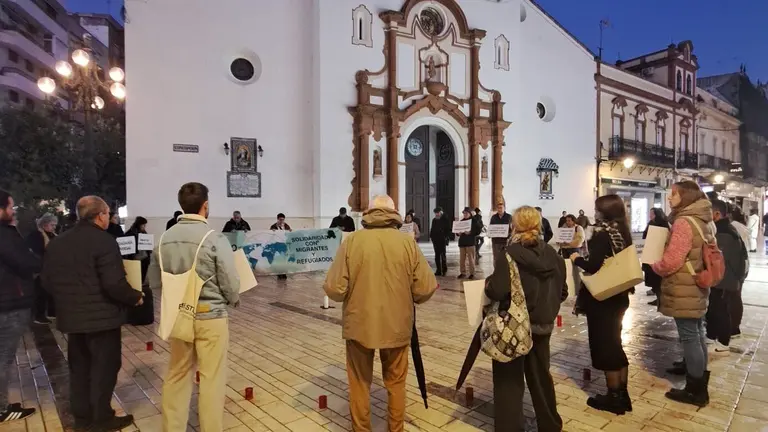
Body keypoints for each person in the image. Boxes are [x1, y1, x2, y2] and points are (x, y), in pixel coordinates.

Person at [323, 195, 437, 432]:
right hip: (397, 325)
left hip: (359, 325)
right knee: (396, 383)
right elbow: (425, 288)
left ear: (369, 212)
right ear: (394, 213)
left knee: (359, 382)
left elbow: (335, 289)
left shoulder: (353, 242)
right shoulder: (406, 243)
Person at [41, 196, 144, 431]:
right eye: (108, 213)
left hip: (73, 320)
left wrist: (69, 300)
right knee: (104, 369)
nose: (109, 217)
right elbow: (113, 284)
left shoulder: (58, 242)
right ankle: (102, 419)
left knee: (79, 370)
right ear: (100, 216)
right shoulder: (104, 241)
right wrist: (135, 297)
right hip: (102, 320)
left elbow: (46, 281)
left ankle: (82, 419)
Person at [148, 183, 240, 432]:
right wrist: (233, 299)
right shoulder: (214, 238)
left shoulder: (164, 239)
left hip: (179, 316)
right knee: (212, 378)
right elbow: (230, 283)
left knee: (177, 374)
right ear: (205, 205)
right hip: (212, 317)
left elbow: (154, 282)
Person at [485, 205, 566, 432]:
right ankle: (550, 425)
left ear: (514, 226)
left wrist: (488, 284)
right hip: (543, 326)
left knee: (508, 382)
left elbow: (497, 290)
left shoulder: (509, 254)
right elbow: (563, 292)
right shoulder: (554, 256)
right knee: (541, 378)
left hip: (513, 328)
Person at [570, 194, 633, 415]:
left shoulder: (603, 234)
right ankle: (622, 394)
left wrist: (576, 259)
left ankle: (613, 397)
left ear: (604, 212)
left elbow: (593, 265)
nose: (594, 212)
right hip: (619, 295)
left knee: (605, 346)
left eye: (597, 209)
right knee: (615, 343)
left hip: (603, 297)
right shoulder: (622, 232)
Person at [651, 181, 712, 407]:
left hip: (684, 285)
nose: (669, 198)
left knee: (689, 336)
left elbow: (672, 261)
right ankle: (699, 380)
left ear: (685, 197)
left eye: (674, 194)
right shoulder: (702, 219)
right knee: (697, 333)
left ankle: (695, 391)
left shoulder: (684, 222)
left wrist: (656, 266)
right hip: (697, 283)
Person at [0, 190, 41, 423]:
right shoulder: (5, 234)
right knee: (3, 358)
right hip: (9, 303)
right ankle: (1, 409)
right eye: (10, 207)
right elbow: (27, 262)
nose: (13, 211)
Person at [705, 199, 746, 356]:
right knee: (716, 309)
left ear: (717, 214)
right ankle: (712, 336)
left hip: (724, 280)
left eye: (708, 212)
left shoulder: (723, 233)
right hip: (725, 279)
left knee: (721, 310)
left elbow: (718, 260)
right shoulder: (726, 229)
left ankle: (723, 343)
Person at [26, 213, 58, 324]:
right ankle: (38, 316)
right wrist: (44, 234)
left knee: (50, 292)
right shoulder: (35, 236)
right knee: (40, 292)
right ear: (44, 225)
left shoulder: (52, 235)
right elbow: (46, 248)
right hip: (40, 269)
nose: (54, 227)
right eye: (52, 225)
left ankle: (51, 312)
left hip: (50, 268)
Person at [642, 208, 670, 307]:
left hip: (659, 253)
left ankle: (660, 299)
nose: (650, 215)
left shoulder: (663, 223)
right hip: (651, 252)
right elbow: (645, 234)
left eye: (652, 213)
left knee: (658, 278)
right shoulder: (650, 223)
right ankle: (657, 296)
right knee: (652, 276)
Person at [729, 205, 749, 339]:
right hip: (743, 263)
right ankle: (735, 327)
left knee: (733, 297)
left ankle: (733, 327)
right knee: (736, 296)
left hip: (736, 265)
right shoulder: (742, 226)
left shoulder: (733, 227)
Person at [457, 207, 481, 279]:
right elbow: (457, 232)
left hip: (470, 242)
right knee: (462, 259)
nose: (465, 214)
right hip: (462, 242)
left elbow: (478, 231)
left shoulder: (474, 221)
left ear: (470, 213)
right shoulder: (461, 221)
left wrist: (470, 232)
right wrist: (458, 233)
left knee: (471, 259)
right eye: (464, 213)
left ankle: (472, 273)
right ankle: (463, 273)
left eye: (466, 213)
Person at [125, 217, 151, 282]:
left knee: (143, 271)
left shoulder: (143, 232)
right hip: (135, 257)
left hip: (144, 257)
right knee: (137, 273)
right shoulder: (131, 232)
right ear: (139, 224)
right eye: (143, 225)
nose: (144, 226)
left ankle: (141, 282)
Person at [430, 207, 450, 276]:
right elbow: (432, 229)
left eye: (437, 213)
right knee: (437, 255)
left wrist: (446, 237)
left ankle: (444, 270)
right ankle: (438, 270)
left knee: (443, 255)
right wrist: (431, 237)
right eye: (435, 213)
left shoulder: (445, 219)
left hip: (442, 239)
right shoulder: (434, 220)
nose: (436, 214)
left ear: (441, 212)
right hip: (435, 240)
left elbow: (448, 229)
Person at [271, 213, 292, 280]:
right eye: (280, 219)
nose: (281, 221)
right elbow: (270, 235)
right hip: (277, 245)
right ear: (277, 219)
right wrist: (272, 232)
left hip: (284, 245)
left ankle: (284, 273)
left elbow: (289, 234)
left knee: (284, 259)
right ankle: (279, 273)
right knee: (278, 259)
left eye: (283, 219)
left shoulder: (286, 226)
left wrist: (290, 231)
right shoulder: (273, 226)